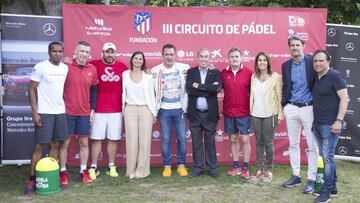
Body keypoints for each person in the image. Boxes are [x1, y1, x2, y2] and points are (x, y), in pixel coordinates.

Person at [25, 42, 69, 194]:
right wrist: (35, 112)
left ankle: (51, 177)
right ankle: (31, 180)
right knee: (39, 146)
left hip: (60, 112)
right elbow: (31, 89)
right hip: (44, 112)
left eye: (60, 51)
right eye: (54, 51)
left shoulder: (65, 68)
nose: (57, 54)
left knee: (56, 144)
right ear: (49, 52)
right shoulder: (41, 66)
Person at [281, 35, 318, 193]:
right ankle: (296, 175)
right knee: (293, 144)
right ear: (289, 47)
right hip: (292, 108)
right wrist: (285, 105)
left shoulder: (312, 62)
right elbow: (286, 86)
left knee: (312, 145)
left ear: (303, 46)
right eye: (292, 45)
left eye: (297, 45)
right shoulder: (286, 65)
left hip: (309, 107)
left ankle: (312, 178)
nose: (295, 47)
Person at [311, 50, 348, 203]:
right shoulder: (317, 77)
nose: (318, 63)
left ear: (328, 61)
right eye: (315, 61)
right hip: (318, 124)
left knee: (328, 158)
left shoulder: (335, 76)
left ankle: (326, 192)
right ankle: (332, 188)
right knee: (327, 157)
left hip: (330, 125)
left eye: (321, 60)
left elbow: (344, 99)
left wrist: (338, 121)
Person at [59, 41, 98, 184]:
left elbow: (94, 90)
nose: (84, 54)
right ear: (76, 52)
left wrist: (92, 109)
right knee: (65, 143)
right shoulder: (66, 67)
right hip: (67, 112)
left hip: (84, 112)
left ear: (89, 54)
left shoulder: (92, 69)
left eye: (87, 52)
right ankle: (63, 172)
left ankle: (83, 172)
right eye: (82, 51)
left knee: (83, 143)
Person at [87, 42, 128, 180]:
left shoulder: (122, 67)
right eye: (107, 52)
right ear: (102, 53)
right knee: (96, 139)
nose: (110, 54)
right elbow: (79, 65)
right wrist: (69, 61)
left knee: (113, 138)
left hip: (116, 110)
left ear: (115, 53)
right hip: (98, 109)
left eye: (112, 52)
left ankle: (111, 166)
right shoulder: (93, 65)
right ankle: (93, 167)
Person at [152, 44, 190, 177]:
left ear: (175, 55)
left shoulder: (184, 68)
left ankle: (181, 165)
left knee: (181, 138)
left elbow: (198, 73)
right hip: (163, 110)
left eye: (171, 54)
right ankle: (167, 166)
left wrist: (210, 67)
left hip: (180, 109)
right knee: (166, 139)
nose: (169, 57)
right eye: (166, 54)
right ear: (162, 55)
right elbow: (151, 90)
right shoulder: (155, 70)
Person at [186, 48, 222, 179]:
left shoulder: (216, 72)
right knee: (196, 142)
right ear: (197, 57)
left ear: (210, 58)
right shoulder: (191, 72)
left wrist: (199, 86)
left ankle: (212, 168)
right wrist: (207, 89)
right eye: (201, 56)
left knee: (210, 142)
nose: (204, 59)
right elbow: (189, 89)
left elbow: (216, 89)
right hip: (195, 113)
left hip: (210, 114)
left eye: (206, 56)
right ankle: (198, 168)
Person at [122, 51, 157, 179]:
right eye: (135, 58)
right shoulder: (125, 74)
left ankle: (142, 170)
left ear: (143, 61)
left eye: (140, 59)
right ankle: (130, 170)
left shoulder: (148, 76)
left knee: (145, 141)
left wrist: (154, 112)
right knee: (131, 141)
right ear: (131, 60)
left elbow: (152, 95)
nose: (138, 60)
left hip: (145, 110)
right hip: (130, 109)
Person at [249, 52, 283, 182]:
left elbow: (280, 96)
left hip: (270, 114)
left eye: (264, 60)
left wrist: (280, 114)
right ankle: (259, 169)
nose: (261, 62)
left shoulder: (275, 77)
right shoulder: (253, 76)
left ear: (268, 62)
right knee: (259, 141)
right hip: (256, 114)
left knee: (268, 142)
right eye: (259, 60)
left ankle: (269, 169)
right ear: (256, 63)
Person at [221, 47, 253, 179]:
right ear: (228, 59)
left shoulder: (249, 72)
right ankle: (236, 166)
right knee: (233, 139)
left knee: (245, 139)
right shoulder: (223, 73)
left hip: (244, 112)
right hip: (229, 112)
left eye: (237, 56)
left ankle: (246, 167)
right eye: (232, 57)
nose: (234, 59)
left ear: (241, 58)